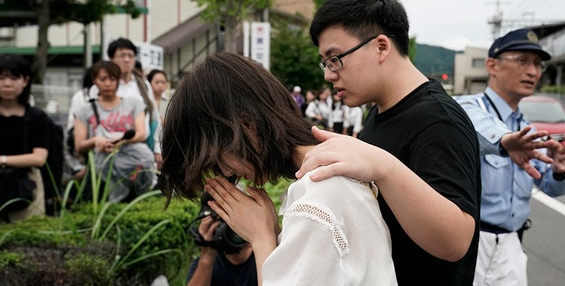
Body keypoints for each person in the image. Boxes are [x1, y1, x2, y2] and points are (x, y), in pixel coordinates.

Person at [158, 52, 397, 285]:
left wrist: (261, 237)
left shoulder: (315, 199)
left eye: (219, 159)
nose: (227, 173)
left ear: (245, 125)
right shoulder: (334, 170)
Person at [297, 0, 481, 284]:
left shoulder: (438, 120)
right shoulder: (380, 111)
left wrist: (383, 167)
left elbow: (456, 241)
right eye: (326, 63)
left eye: (335, 59)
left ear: (381, 47)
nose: (329, 74)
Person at [454, 28, 565, 285]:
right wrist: (504, 141)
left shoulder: (529, 132)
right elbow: (474, 125)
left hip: (512, 244)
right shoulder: (467, 107)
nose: (533, 72)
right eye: (522, 61)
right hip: (469, 243)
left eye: (537, 65)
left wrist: (559, 170)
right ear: (492, 65)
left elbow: (550, 186)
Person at [74, 61, 155, 203]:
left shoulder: (133, 103)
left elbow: (141, 133)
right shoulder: (85, 109)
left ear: (118, 80)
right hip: (103, 169)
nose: (107, 84)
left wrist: (119, 141)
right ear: (94, 81)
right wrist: (96, 141)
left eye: (112, 79)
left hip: (133, 162)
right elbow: (79, 145)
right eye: (102, 79)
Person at [90, 38, 163, 169]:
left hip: (141, 150)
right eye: (122, 56)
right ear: (111, 59)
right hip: (109, 150)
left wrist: (158, 148)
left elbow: (154, 116)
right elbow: (92, 117)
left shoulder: (143, 85)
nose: (127, 60)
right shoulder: (99, 88)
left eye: (130, 56)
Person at [0, 53, 48, 222]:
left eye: (13, 78)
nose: (6, 84)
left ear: (25, 81)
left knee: (27, 238)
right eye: (1, 78)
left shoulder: (37, 117)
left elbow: (39, 158)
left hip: (26, 185)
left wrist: (3, 160)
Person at [186, 191, 258, 286]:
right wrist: (207, 257)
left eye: (234, 221)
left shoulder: (264, 251)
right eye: (222, 221)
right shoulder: (204, 265)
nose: (233, 229)